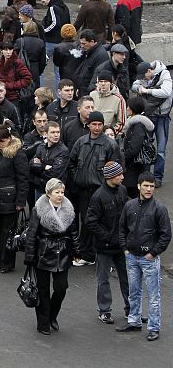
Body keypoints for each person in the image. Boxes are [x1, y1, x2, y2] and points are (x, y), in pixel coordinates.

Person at [117, 172, 172, 340]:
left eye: (152, 186)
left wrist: (153, 253)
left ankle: (154, 327)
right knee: (134, 292)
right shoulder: (130, 205)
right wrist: (125, 249)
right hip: (132, 256)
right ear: (139, 186)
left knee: (153, 295)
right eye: (146, 186)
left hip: (149, 259)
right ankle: (134, 321)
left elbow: (166, 235)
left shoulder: (159, 208)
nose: (149, 189)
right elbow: (122, 228)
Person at [24, 178, 79, 335]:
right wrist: (29, 256)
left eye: (62, 192)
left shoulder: (68, 209)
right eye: (57, 192)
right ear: (48, 194)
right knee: (42, 291)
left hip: (62, 252)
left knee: (61, 288)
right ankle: (43, 323)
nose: (60, 195)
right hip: (43, 253)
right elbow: (32, 235)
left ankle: (52, 315)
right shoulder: (38, 210)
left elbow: (73, 232)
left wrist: (76, 251)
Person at [68, 111, 121, 265]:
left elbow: (116, 168)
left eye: (100, 124)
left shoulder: (110, 145)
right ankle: (88, 254)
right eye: (94, 124)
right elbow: (71, 162)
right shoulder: (81, 142)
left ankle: (101, 254)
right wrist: (77, 176)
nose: (97, 127)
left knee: (102, 222)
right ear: (88, 125)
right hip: (84, 190)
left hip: (102, 191)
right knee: (86, 221)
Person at [86, 161, 130, 324]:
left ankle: (131, 309)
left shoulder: (122, 190)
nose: (123, 177)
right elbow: (91, 222)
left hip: (121, 245)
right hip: (105, 246)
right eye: (119, 175)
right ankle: (104, 310)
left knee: (127, 278)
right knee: (103, 279)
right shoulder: (98, 196)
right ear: (111, 177)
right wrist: (108, 237)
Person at [0, 124, 29, 274]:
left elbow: (23, 179)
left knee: (8, 232)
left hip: (10, 197)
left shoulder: (18, 154)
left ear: (9, 139)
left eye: (2, 141)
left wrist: (20, 201)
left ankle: (7, 262)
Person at [132, 61, 172, 188]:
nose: (144, 79)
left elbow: (166, 92)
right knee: (146, 146)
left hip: (162, 117)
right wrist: (140, 88)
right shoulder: (145, 76)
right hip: (149, 116)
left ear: (150, 71)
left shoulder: (164, 74)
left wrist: (147, 91)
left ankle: (158, 177)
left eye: (144, 76)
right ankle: (146, 176)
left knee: (161, 149)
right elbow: (134, 86)